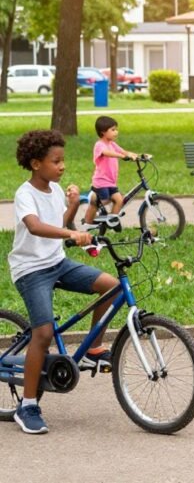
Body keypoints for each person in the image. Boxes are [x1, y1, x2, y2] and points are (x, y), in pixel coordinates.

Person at [8, 130, 121, 434]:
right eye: (55, 161)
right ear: (35, 163)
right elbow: (35, 227)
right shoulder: (25, 194)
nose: (62, 166)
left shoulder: (56, 190)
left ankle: (95, 348)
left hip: (57, 262)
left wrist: (71, 206)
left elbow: (61, 225)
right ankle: (28, 405)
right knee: (42, 335)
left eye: (63, 161)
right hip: (31, 269)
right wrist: (71, 234)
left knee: (111, 285)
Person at [84, 115, 139, 225]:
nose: (116, 132)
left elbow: (123, 151)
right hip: (101, 181)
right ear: (103, 132)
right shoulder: (99, 145)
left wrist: (136, 155)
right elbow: (106, 153)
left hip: (111, 181)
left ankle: (112, 221)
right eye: (113, 130)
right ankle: (89, 219)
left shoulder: (112, 144)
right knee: (103, 200)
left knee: (119, 200)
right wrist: (121, 156)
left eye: (116, 129)